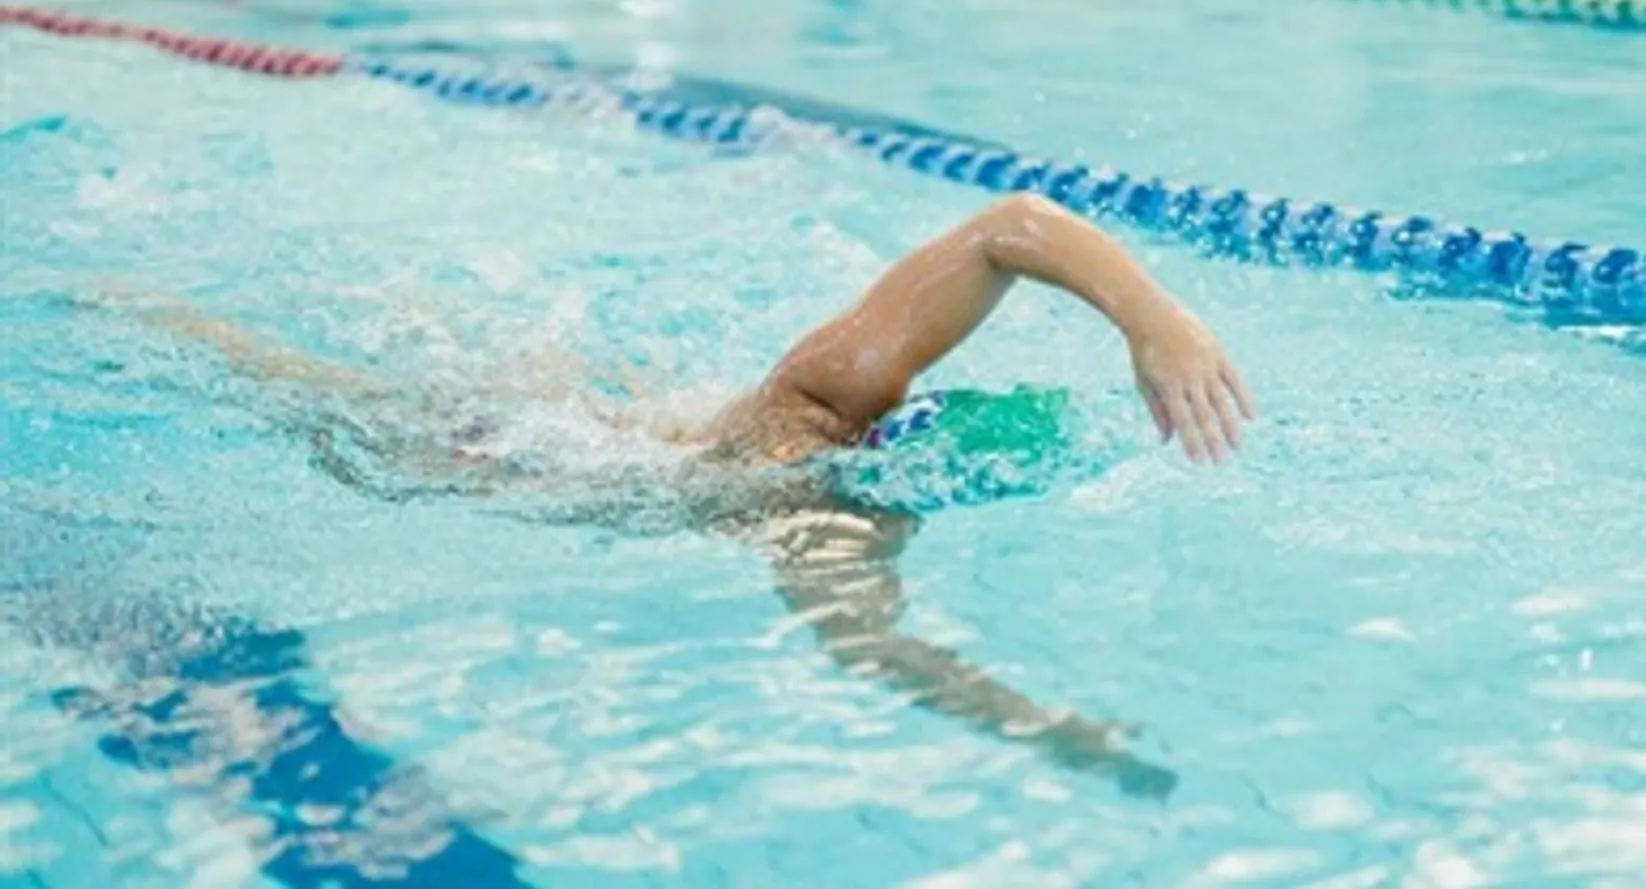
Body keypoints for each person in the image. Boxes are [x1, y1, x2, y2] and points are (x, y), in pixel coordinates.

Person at [104, 192, 1253, 798]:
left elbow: (1009, 229)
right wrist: (1053, 732)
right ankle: (165, 323)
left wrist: (1152, 318)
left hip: (594, 420)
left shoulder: (820, 417)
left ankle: (164, 312)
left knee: (411, 361)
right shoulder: (808, 478)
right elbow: (878, 655)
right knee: (331, 400)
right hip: (501, 458)